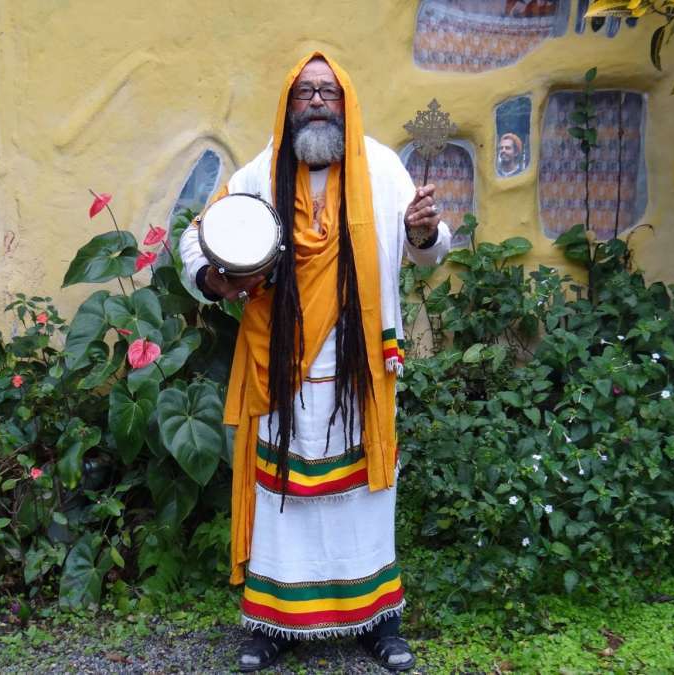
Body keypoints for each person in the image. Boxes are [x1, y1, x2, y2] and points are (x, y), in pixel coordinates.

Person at [178, 52, 451, 672]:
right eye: (306, 92)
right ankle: (273, 624)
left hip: (360, 367)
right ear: (289, 103)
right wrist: (214, 278)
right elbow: (198, 234)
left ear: (347, 100)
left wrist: (423, 231)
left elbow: (431, 251)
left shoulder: (383, 168)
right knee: (284, 495)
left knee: (362, 498)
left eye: (329, 90)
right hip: (280, 366)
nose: (319, 101)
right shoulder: (263, 168)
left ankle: (377, 619)